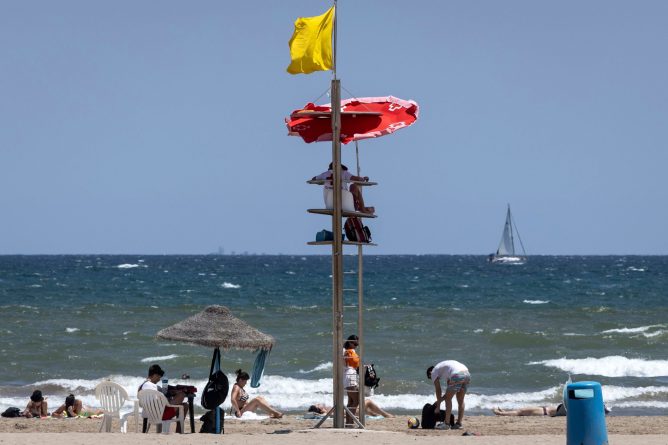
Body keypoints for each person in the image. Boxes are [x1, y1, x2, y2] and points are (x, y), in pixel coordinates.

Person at [138, 364, 188, 433]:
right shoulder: (153, 386)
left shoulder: (142, 386)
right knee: (181, 395)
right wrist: (170, 399)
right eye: (159, 377)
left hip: (148, 413)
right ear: (155, 375)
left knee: (185, 406)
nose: (159, 380)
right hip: (160, 415)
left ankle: (179, 432)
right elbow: (159, 401)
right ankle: (179, 432)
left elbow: (147, 402)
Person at [427, 360, 471, 430]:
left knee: (448, 399)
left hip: (457, 374)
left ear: (430, 373)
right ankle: (459, 424)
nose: (434, 379)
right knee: (460, 400)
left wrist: (438, 405)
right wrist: (440, 400)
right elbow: (449, 392)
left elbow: (438, 390)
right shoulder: (445, 370)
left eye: (431, 378)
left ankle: (446, 424)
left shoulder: (433, 372)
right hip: (467, 373)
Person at [307, 399, 394, 418]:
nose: (319, 403)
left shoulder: (326, 411)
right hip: (353, 412)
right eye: (318, 405)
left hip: (350, 410)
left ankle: (371, 413)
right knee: (368, 402)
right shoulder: (328, 413)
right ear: (320, 409)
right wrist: (355, 417)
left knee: (366, 406)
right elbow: (342, 415)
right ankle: (385, 414)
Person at [493, 403, 610, 417]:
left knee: (520, 412)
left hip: (544, 411)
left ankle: (500, 413)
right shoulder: (572, 410)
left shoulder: (568, 410)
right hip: (544, 410)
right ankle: (504, 411)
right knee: (521, 410)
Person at [343, 337, 361, 425]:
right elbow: (354, 362)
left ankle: (348, 422)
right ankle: (351, 421)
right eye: (355, 344)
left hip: (347, 376)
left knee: (350, 401)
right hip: (350, 376)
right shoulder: (350, 351)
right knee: (356, 400)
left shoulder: (345, 351)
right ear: (350, 343)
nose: (356, 346)